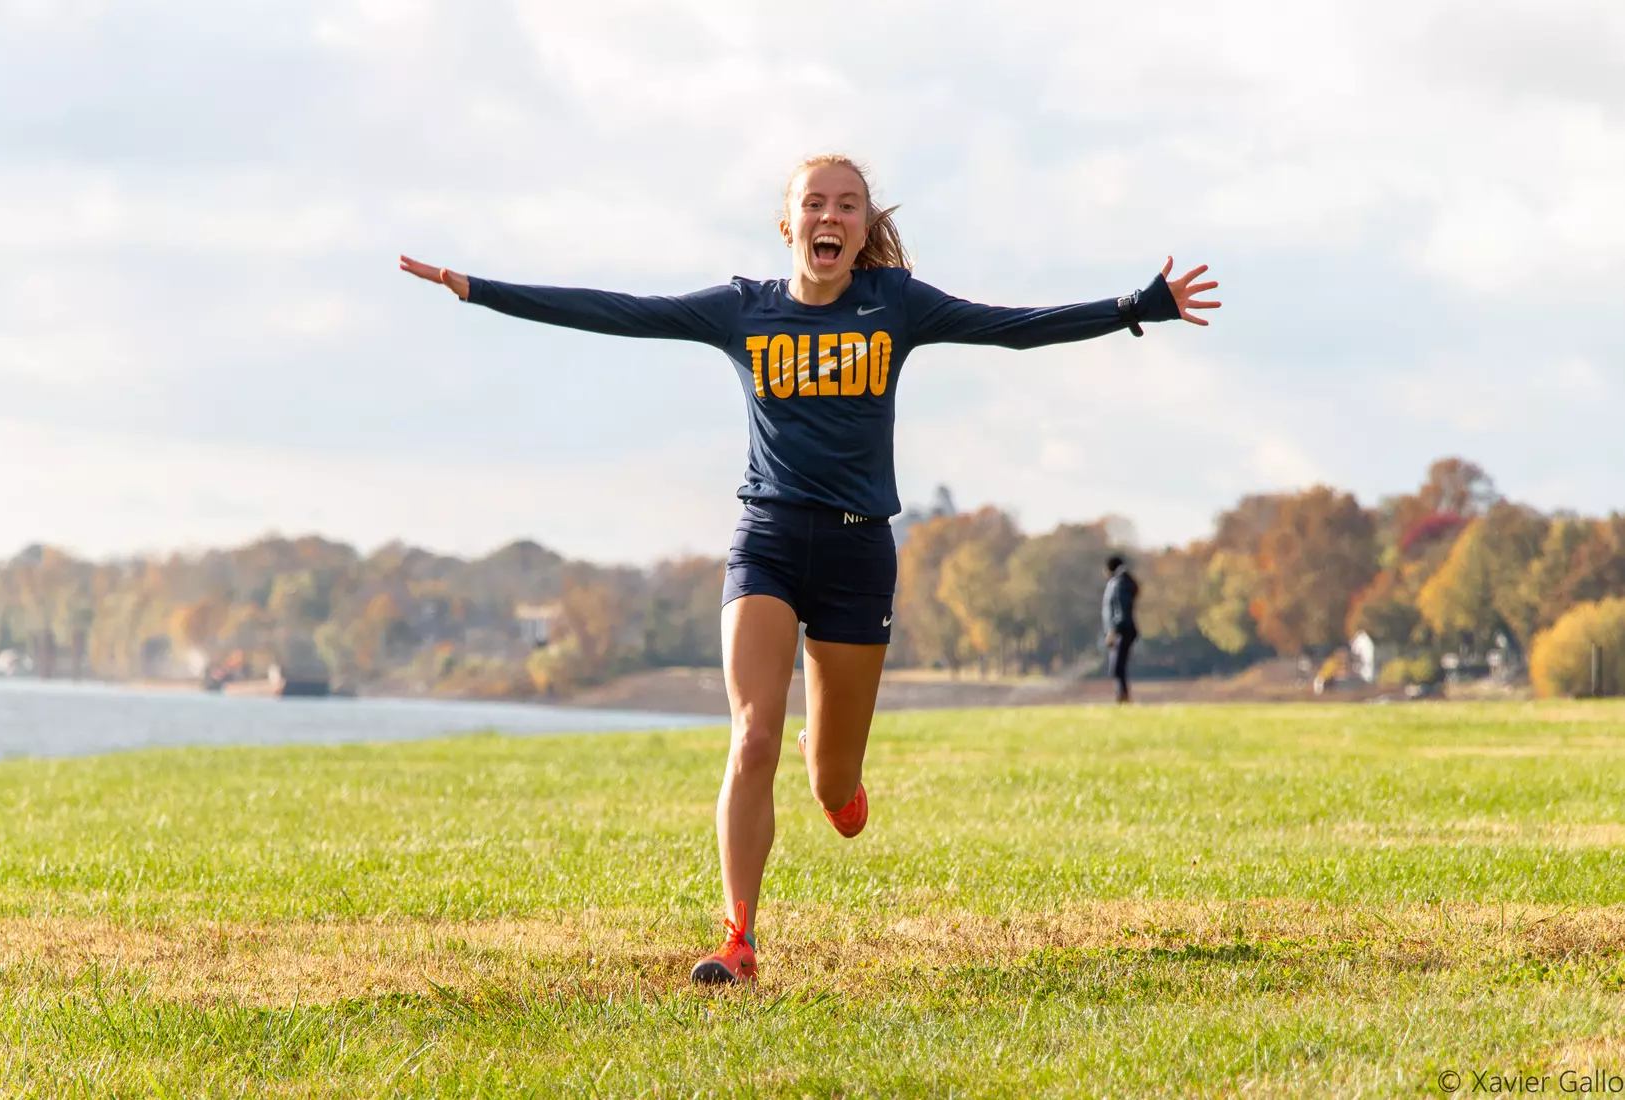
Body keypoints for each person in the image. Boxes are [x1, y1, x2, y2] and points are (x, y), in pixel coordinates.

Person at [400, 154, 1219, 984]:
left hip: (860, 551)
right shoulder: (743, 310)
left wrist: (1134, 307)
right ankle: (738, 938)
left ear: (862, 228)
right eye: (814, 204)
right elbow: (620, 311)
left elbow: (1012, 325)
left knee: (836, 786)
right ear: (788, 224)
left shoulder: (894, 303)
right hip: (768, 539)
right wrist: (480, 287)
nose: (830, 216)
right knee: (752, 737)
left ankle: (833, 779)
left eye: (848, 205)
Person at [1103, 555, 1141, 704]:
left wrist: (1113, 631)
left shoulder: (1119, 584)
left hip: (1122, 631)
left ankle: (1123, 698)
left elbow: (1121, 611)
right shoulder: (1120, 582)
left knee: (1117, 667)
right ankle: (1122, 697)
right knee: (1117, 667)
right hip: (1122, 630)